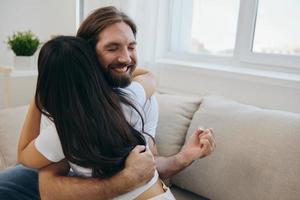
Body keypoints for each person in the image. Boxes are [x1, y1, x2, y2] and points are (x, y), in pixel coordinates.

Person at [0, 6, 216, 200]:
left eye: (131, 47)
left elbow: (25, 156)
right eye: (112, 48)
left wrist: (39, 96)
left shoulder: (63, 130)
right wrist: (125, 180)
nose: (126, 58)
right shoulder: (129, 99)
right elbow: (49, 188)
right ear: (89, 57)